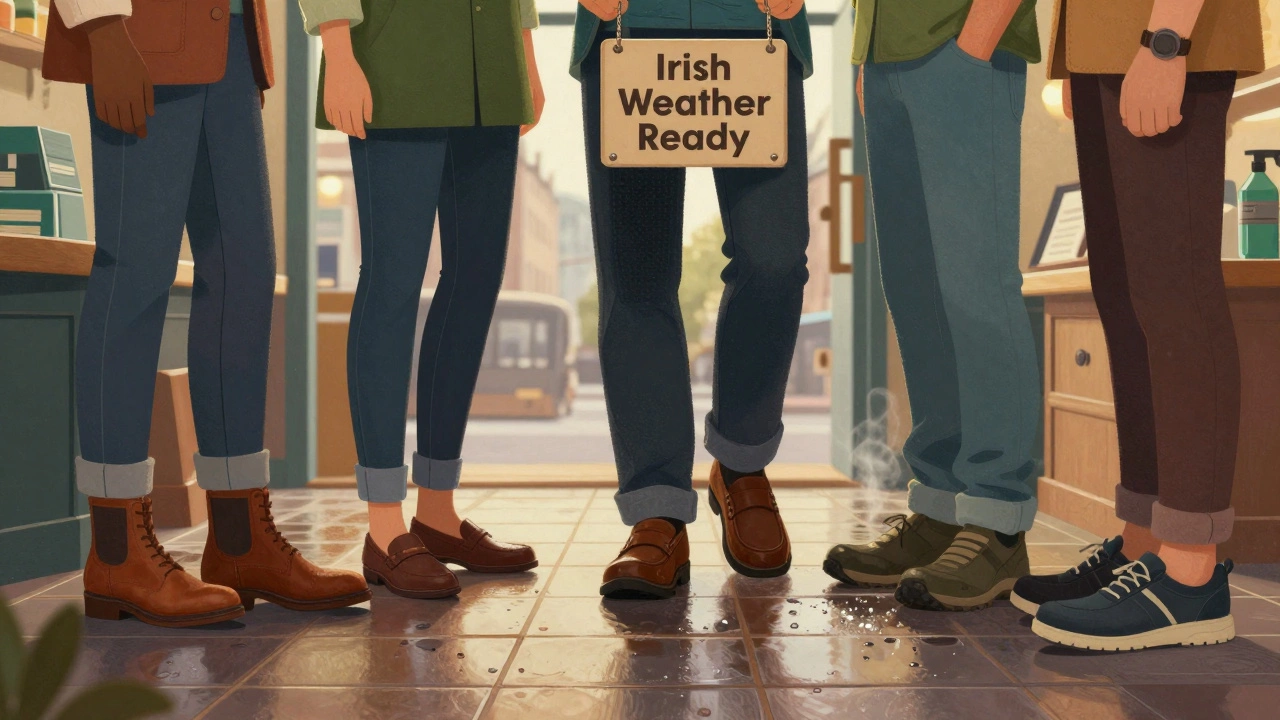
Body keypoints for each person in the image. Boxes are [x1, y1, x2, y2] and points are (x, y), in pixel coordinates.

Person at [42, 0, 370, 627]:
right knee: (134, 275)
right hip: (141, 33)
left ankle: (241, 543)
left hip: (230, 42)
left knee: (244, 275)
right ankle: (117, 554)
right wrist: (103, 31)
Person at [1013, 0, 1262, 651]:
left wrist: (1166, 38)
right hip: (1104, 39)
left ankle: (1188, 573)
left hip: (1164, 29)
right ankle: (1145, 543)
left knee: (1174, 293)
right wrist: (1075, 53)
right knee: (1126, 297)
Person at [300, 0, 546, 599]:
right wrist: (337, 49)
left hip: (491, 62)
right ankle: (384, 526)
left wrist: (525, 53)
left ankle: (437, 513)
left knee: (476, 281)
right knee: (392, 282)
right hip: (393, 58)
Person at [573, 0, 812, 598]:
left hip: (756, 24)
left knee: (775, 260)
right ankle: (657, 508)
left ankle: (741, 459)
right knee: (637, 277)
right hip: (629, 23)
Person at [823, 0, 1043, 611]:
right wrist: (869, 57)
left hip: (964, 43)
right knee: (916, 291)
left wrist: (976, 39)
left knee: (976, 289)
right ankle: (943, 510)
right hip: (886, 58)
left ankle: (997, 518)